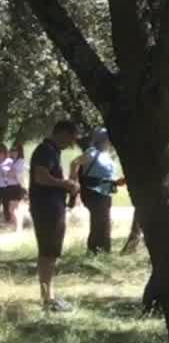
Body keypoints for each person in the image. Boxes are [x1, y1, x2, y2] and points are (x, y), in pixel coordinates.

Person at [29, 121, 80, 312]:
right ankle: (47, 299)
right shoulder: (45, 151)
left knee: (50, 252)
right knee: (48, 252)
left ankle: (49, 296)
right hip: (46, 208)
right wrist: (65, 184)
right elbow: (40, 177)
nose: (71, 144)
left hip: (52, 207)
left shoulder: (52, 151)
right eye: (71, 138)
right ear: (62, 133)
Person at [70, 128, 124, 254]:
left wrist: (118, 182)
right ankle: (96, 251)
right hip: (93, 192)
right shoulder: (91, 152)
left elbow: (106, 176)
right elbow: (74, 163)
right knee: (99, 222)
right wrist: (73, 182)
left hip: (105, 191)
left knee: (103, 221)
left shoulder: (107, 155)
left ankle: (101, 251)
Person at [0, 142, 26, 227]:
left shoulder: (19, 161)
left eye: (15, 150)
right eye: (11, 150)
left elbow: (14, 175)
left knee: (13, 210)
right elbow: (8, 174)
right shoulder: (11, 161)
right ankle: (13, 226)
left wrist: (8, 173)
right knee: (9, 210)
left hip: (15, 187)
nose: (12, 152)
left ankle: (17, 227)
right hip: (8, 187)